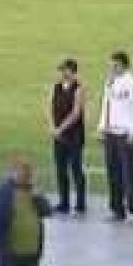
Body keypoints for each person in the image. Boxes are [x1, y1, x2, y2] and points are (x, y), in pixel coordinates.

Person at [98, 51, 133, 222]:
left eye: (115, 65)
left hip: (126, 134)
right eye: (111, 65)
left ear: (124, 65)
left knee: (129, 174)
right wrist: (102, 127)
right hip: (111, 133)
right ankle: (117, 209)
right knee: (113, 173)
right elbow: (106, 105)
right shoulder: (110, 82)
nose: (112, 68)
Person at [48, 58, 85, 215]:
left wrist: (61, 128)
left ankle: (80, 203)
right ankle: (64, 201)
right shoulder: (55, 87)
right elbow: (49, 107)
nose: (62, 73)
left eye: (65, 70)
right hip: (58, 134)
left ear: (72, 71)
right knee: (60, 168)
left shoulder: (79, 88)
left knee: (75, 167)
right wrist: (52, 127)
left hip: (74, 134)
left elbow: (76, 113)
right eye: (61, 70)